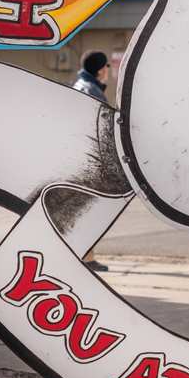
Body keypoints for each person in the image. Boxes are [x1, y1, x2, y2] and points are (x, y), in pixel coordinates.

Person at [72, 51, 111, 272]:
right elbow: (97, 126)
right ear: (100, 69)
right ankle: (85, 257)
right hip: (87, 160)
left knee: (84, 209)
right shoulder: (90, 90)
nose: (108, 72)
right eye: (106, 67)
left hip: (80, 158)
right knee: (88, 209)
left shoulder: (83, 86)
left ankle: (86, 255)